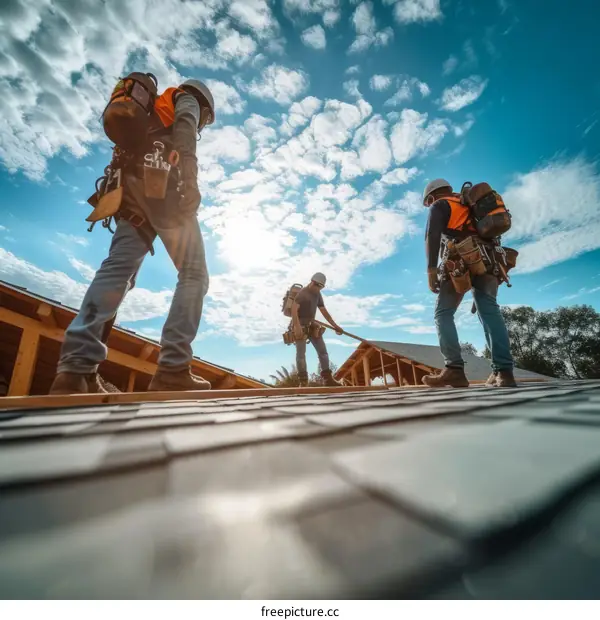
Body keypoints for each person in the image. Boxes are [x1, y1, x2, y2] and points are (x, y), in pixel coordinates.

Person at [49, 78, 216, 395]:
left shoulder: (153, 110)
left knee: (117, 269)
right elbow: (185, 129)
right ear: (205, 107)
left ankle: (76, 369)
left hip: (128, 192)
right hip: (162, 183)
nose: (202, 122)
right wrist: (190, 177)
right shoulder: (186, 98)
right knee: (194, 272)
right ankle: (173, 369)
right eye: (205, 119)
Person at [421, 178, 516, 388]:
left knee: (443, 312)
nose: (428, 206)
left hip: (461, 260)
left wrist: (431, 270)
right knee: (489, 309)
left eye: (427, 203)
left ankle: (454, 369)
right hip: (490, 259)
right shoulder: (470, 205)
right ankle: (504, 372)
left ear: (432, 196)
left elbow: (432, 235)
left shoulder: (441, 204)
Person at [290, 273, 344, 387]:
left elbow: (324, 311)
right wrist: (297, 326)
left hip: (312, 325)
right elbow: (294, 310)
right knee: (301, 354)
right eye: (318, 286)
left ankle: (328, 380)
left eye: (321, 287)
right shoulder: (303, 292)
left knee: (322, 351)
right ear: (312, 282)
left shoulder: (317, 294)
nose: (319, 288)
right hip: (300, 324)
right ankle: (303, 381)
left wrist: (335, 326)